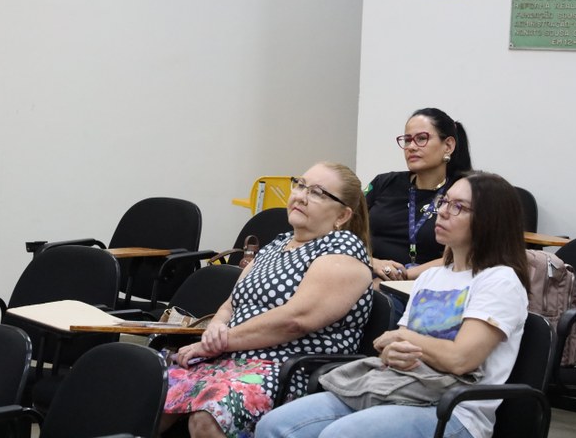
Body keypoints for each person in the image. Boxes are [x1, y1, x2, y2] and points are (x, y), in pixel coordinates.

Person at [256, 172, 530, 438]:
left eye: (459, 207)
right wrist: (393, 353)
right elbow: (392, 350)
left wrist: (403, 339)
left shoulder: (500, 281)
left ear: (490, 220)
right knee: (274, 424)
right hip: (398, 388)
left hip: (455, 412)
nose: (443, 212)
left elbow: (460, 359)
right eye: (444, 201)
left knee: (340, 434)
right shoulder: (432, 277)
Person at [159, 162, 375, 438]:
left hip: (289, 370)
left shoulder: (343, 250)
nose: (301, 196)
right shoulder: (277, 244)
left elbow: (294, 320)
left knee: (209, 414)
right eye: (300, 185)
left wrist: (218, 342)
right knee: (150, 390)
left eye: (317, 193)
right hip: (231, 358)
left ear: (342, 215)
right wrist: (216, 327)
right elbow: (232, 303)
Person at [367, 107, 472, 284]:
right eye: (407, 140)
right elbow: (345, 230)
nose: (411, 147)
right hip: (371, 275)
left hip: (432, 284)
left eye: (421, 139)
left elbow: (463, 255)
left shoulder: (463, 191)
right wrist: (372, 262)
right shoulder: (383, 183)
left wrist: (405, 276)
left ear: (448, 146)